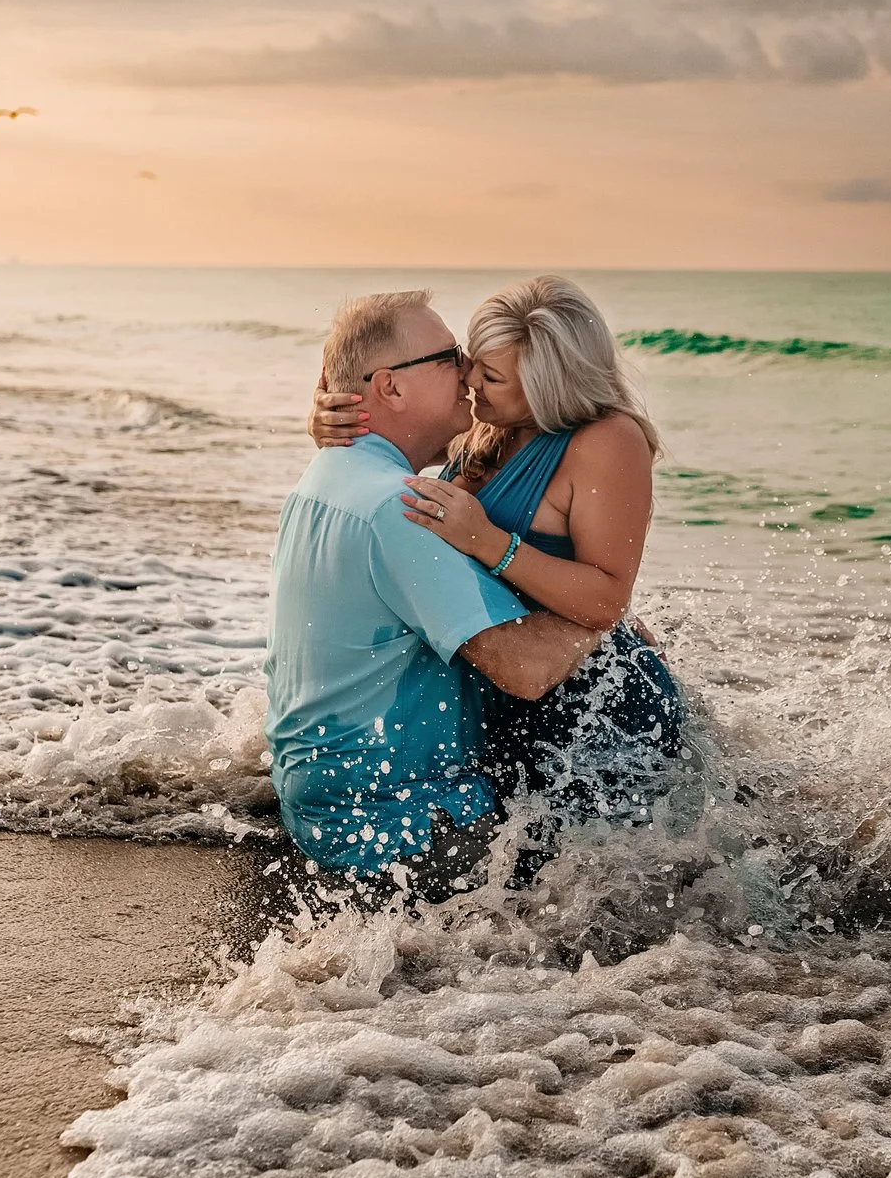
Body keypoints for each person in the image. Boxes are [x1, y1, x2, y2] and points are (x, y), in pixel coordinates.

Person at [311, 276, 685, 866]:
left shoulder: (608, 441)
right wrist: (332, 414)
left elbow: (608, 596)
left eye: (491, 377)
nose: (468, 382)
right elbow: (396, 430)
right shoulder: (485, 426)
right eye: (469, 363)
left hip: (590, 704)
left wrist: (489, 543)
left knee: (604, 893)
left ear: (547, 386)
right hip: (503, 686)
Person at [265, 289, 607, 900]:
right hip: (402, 826)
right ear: (391, 388)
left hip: (319, 799)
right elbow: (526, 670)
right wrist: (606, 609)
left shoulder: (326, 474)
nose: (468, 371)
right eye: (450, 356)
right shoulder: (400, 510)